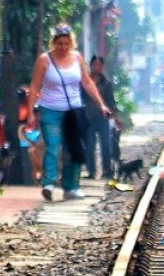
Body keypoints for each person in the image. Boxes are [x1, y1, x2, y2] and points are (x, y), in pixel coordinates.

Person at [25, 24, 111, 201]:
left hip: (74, 110)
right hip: (50, 110)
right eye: (59, 43)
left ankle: (71, 186)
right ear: (53, 43)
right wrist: (31, 113)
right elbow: (34, 86)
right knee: (53, 146)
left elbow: (87, 83)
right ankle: (48, 183)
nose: (63, 47)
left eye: (66, 43)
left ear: (71, 43)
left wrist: (101, 104)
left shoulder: (77, 58)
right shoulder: (44, 60)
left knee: (73, 148)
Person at [83, 55, 122, 181]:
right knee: (89, 146)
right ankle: (91, 171)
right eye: (94, 65)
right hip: (88, 118)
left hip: (103, 118)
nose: (97, 67)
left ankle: (107, 170)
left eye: (99, 65)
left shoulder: (106, 84)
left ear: (102, 67)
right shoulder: (84, 83)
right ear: (91, 66)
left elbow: (111, 102)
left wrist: (116, 118)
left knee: (106, 146)